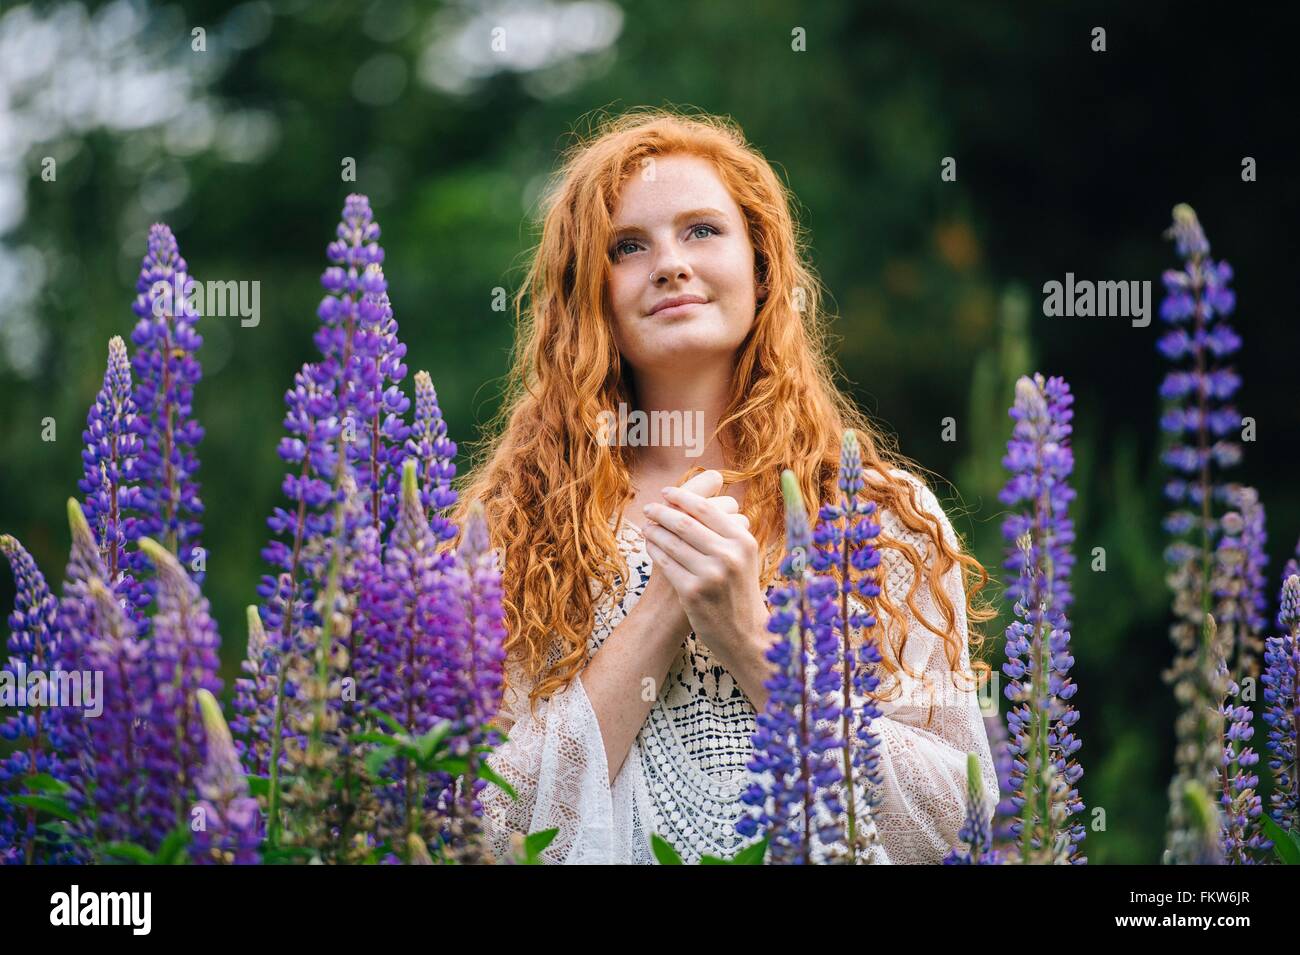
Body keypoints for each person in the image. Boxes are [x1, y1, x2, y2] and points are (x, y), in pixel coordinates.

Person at [450, 108, 1000, 864]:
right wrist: (660, 610)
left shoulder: (879, 514)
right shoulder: (517, 528)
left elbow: (956, 816)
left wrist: (753, 641)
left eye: (702, 230)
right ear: (589, 292)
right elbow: (480, 829)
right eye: (628, 246)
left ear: (762, 265)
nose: (670, 263)